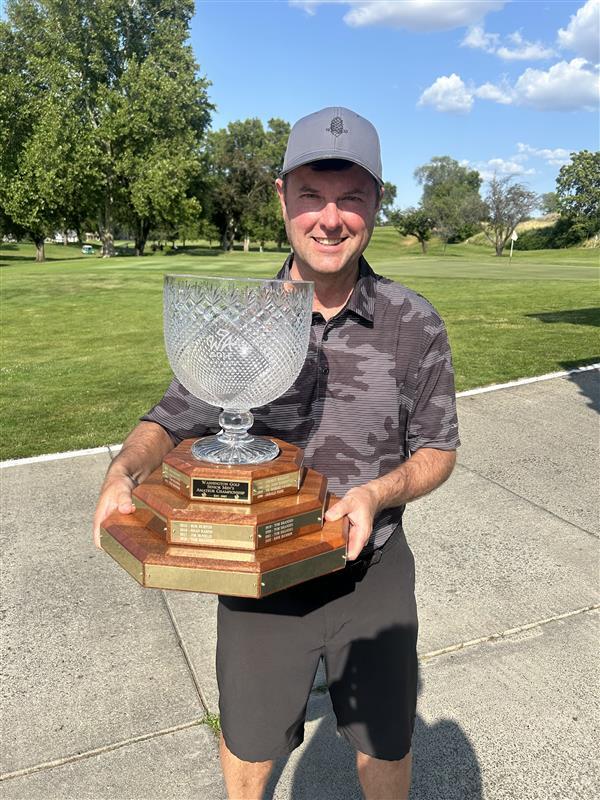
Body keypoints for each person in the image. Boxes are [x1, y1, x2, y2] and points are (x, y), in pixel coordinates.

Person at [93, 106, 460, 799]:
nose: (330, 218)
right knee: (251, 750)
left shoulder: (414, 322)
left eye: (352, 198)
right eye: (312, 196)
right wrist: (125, 470)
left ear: (377, 203)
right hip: (258, 577)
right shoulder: (240, 317)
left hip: (370, 571)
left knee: (385, 747)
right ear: (282, 198)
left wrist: (377, 494)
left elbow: (437, 448)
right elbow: (173, 415)